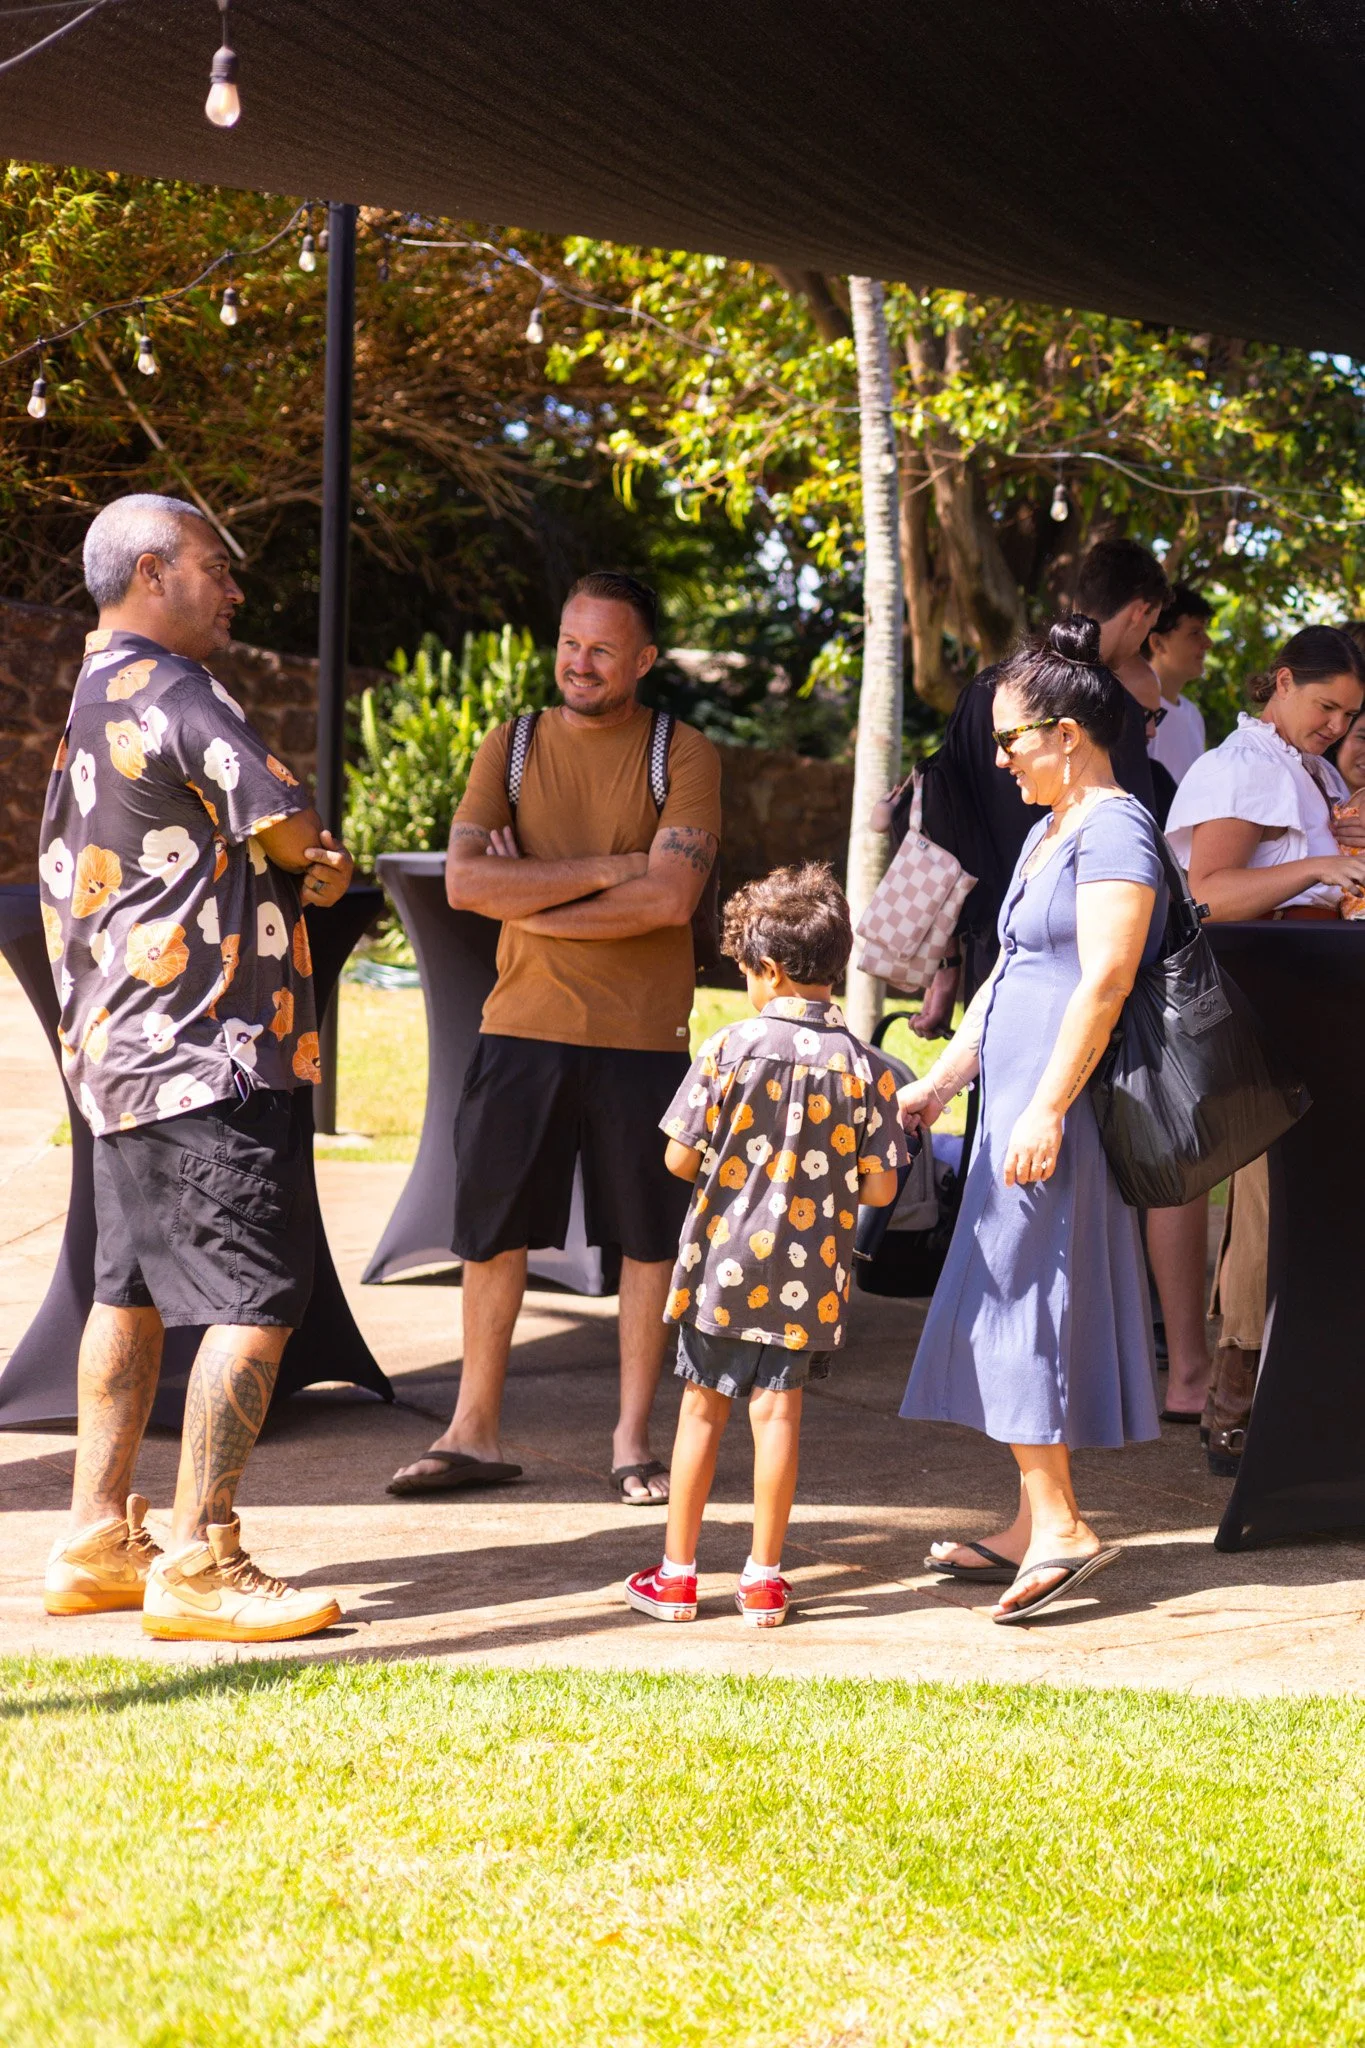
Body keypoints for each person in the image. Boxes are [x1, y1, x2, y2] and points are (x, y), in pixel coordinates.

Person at [39, 494, 353, 1642]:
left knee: (127, 1288)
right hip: (205, 1048)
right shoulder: (176, 686)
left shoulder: (89, 695)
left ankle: (94, 1539)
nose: (234, 590)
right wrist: (310, 853)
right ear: (154, 568)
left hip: (122, 1054)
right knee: (258, 1295)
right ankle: (201, 1557)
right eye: (218, 569)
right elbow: (286, 826)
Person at [387, 572, 722, 1505]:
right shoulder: (512, 743)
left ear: (643, 661)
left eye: (602, 649)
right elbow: (463, 885)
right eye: (570, 643)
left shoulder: (681, 754)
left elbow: (670, 898)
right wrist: (615, 870)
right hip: (519, 1025)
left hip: (643, 1039)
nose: (579, 663)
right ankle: (472, 1431)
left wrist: (534, 892)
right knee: (491, 1233)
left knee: (647, 1242)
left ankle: (630, 1440)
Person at [897, 616, 1168, 1622]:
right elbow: (1009, 977)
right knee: (1003, 1297)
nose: (998, 758)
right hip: (1013, 1105)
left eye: (1011, 739)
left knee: (1019, 1302)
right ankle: (1030, 1517)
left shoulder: (1115, 826)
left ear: (1069, 732)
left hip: (1056, 1111)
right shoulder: (1050, 830)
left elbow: (1104, 980)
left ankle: (1060, 1524)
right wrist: (938, 1081)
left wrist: (1048, 1104)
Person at [623, 865, 905, 1627]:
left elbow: (678, 1159)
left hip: (723, 1263)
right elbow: (880, 1191)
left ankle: (677, 1576)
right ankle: (763, 1579)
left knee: (700, 1411)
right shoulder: (865, 1066)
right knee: (778, 1416)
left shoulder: (729, 1047)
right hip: (808, 1273)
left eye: (744, 967)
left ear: (769, 970)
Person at [1166, 625, 1365, 1473]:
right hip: (1264, 1006)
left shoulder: (1303, 769)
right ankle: (1235, 1399)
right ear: (1279, 683)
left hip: (1314, 1002)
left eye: (1347, 714)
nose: (1333, 726)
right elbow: (1206, 897)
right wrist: (1316, 871)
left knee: (1294, 1199)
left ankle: (1278, 1393)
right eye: (1324, 705)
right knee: (1264, 1202)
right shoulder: (1245, 766)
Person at [913, 537, 1168, 1023]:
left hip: (993, 949)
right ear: (1140, 611)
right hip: (1070, 959)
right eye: (1150, 628)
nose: (1001, 760)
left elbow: (942, 820)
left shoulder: (986, 689)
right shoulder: (1110, 709)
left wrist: (948, 959)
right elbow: (1137, 838)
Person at [1146, 583, 1213, 785]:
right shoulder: (1133, 711)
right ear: (1157, 643)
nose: (1208, 642)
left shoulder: (1193, 716)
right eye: (1195, 633)